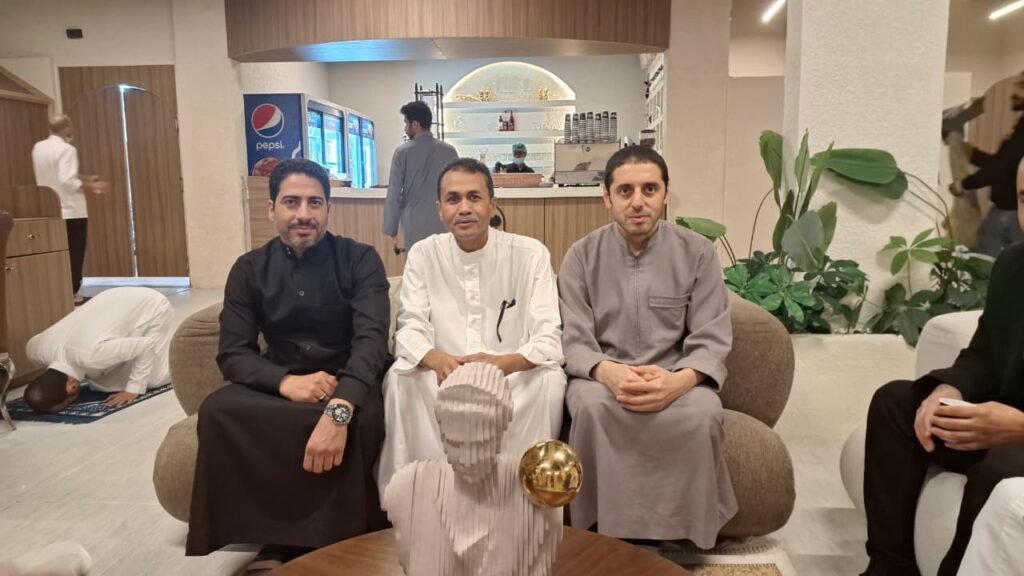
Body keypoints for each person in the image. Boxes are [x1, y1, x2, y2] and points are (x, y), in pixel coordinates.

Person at [186, 159, 392, 571]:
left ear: (328, 209)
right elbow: (233, 352)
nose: (303, 214)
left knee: (365, 418)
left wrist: (340, 408)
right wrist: (285, 382)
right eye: (291, 202)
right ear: (271, 209)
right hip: (282, 375)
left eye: (314, 203)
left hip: (349, 378)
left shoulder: (360, 260)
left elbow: (371, 342)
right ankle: (276, 539)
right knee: (219, 411)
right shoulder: (249, 269)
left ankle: (338, 540)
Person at [557, 145, 736, 549]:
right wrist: (608, 372)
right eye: (625, 191)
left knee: (703, 412)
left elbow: (711, 336)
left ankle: (682, 533)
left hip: (676, 376)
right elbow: (574, 337)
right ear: (606, 197)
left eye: (649, 189)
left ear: (666, 193)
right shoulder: (581, 257)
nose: (638, 202)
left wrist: (678, 382)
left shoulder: (698, 254)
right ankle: (605, 534)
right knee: (591, 408)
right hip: (601, 379)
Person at [859, 182, 1024, 576]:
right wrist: (949, 389)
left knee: (1000, 468)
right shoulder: (1013, 265)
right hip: (995, 424)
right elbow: (984, 354)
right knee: (895, 404)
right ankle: (889, 570)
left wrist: (1019, 427)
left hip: (1015, 439)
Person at [376, 158, 565, 491]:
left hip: (510, 375)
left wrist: (504, 364)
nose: (464, 208)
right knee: (400, 380)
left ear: (492, 205)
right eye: (453, 199)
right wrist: (436, 359)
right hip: (441, 374)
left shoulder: (530, 254)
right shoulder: (423, 254)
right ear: (440, 210)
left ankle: (522, 492)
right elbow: (409, 326)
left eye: (474, 197)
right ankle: (420, 492)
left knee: (548, 381)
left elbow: (549, 333)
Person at [383, 362, 561, 576]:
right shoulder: (406, 491)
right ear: (443, 435)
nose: (467, 461)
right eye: (456, 444)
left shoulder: (536, 495)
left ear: (501, 433)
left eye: (480, 444)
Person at [23, 287, 173, 412]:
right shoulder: (34, 351)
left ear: (72, 388)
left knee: (152, 379)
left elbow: (146, 346)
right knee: (104, 380)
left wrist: (133, 390)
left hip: (151, 305)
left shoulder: (92, 356)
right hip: (109, 296)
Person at [31, 115, 105, 305]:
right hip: (72, 210)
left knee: (56, 253)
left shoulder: (38, 147)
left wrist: (85, 178)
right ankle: (72, 293)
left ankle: (58, 292)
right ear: (66, 127)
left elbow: (55, 174)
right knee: (74, 252)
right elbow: (66, 180)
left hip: (50, 208)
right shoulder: (67, 149)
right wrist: (90, 186)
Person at [949, 71, 1024, 257]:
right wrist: (968, 152)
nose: (1015, 93)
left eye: (1021, 87)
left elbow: (1001, 168)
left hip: (1010, 211)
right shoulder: (1021, 125)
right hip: (1010, 210)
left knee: (986, 259)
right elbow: (1004, 163)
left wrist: (963, 184)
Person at [382, 101, 458, 254]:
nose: (405, 128)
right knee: (445, 260)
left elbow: (394, 193)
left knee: (416, 262)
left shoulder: (402, 153)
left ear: (415, 124)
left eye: (406, 123)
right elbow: (458, 187)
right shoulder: (450, 151)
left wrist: (391, 228)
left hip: (413, 220)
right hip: (443, 217)